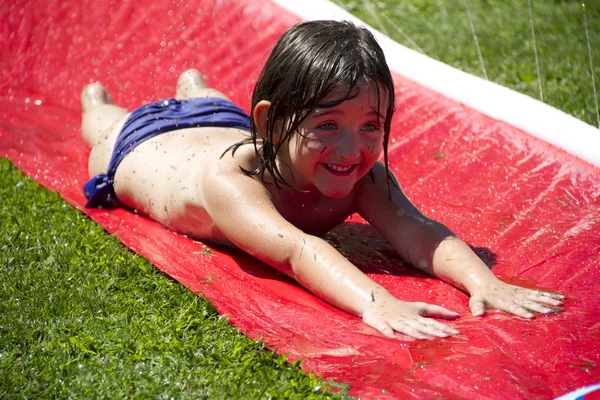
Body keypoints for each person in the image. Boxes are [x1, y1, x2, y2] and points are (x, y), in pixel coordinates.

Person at [80, 20, 564, 340]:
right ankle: (97, 102)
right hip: (145, 145)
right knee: (103, 123)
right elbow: (297, 250)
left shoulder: (360, 174)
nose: (352, 151)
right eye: (328, 126)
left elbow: (419, 232)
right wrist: (377, 302)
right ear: (271, 125)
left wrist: (485, 281)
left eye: (370, 126)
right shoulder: (232, 179)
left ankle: (196, 88)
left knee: (210, 101)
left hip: (224, 122)